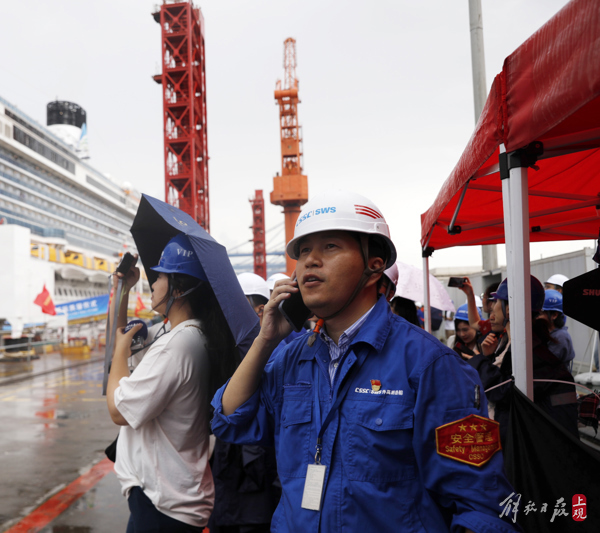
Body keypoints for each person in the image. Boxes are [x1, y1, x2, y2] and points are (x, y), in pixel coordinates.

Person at [211, 190, 518, 532]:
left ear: (374, 266)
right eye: (304, 251)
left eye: (329, 247)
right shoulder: (290, 357)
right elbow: (229, 421)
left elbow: (481, 503)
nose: (310, 261)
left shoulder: (430, 365)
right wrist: (265, 341)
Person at [107, 235, 239, 532]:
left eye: (161, 276)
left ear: (179, 288)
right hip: (172, 499)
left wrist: (119, 350)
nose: (153, 283)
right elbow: (118, 342)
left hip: (162, 503)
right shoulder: (193, 336)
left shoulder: (177, 345)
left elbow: (118, 410)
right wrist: (123, 289)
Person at [469, 277, 579, 445]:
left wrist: (480, 361)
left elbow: (503, 392)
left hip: (533, 452)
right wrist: (488, 357)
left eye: (496, 302)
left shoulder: (529, 350)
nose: (491, 310)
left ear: (509, 309)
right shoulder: (512, 343)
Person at [209, 273, 280, 533]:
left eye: (237, 305)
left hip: (257, 477)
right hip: (226, 475)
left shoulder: (277, 352)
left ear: (260, 309)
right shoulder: (225, 349)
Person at [540, 289, 576, 371]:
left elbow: (543, 366)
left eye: (540, 313)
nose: (536, 317)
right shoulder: (547, 333)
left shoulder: (560, 337)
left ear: (554, 315)